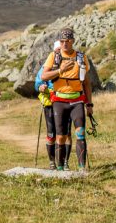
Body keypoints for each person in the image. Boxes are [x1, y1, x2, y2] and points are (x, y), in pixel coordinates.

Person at [41, 27, 93, 171]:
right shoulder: (54, 56)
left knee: (80, 134)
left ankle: (82, 170)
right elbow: (43, 76)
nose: (65, 44)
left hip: (77, 101)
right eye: (62, 41)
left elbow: (87, 83)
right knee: (61, 137)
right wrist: (60, 70)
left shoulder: (81, 57)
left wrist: (89, 104)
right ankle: (59, 170)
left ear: (73, 41)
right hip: (59, 101)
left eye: (68, 41)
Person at [35, 41, 71, 170]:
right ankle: (52, 162)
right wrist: (41, 86)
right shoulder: (46, 65)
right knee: (51, 133)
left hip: (66, 100)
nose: (58, 52)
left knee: (66, 133)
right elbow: (37, 82)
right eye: (56, 50)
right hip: (50, 102)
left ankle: (65, 162)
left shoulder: (70, 64)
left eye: (60, 50)